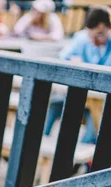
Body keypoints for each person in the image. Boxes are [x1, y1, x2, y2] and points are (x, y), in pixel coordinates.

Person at [43, 7, 111, 143]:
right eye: (91, 36)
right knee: (54, 105)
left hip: (102, 102)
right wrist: (72, 63)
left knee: (98, 120)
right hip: (80, 96)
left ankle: (77, 161)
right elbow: (63, 59)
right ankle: (40, 147)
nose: (94, 41)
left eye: (99, 34)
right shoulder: (81, 38)